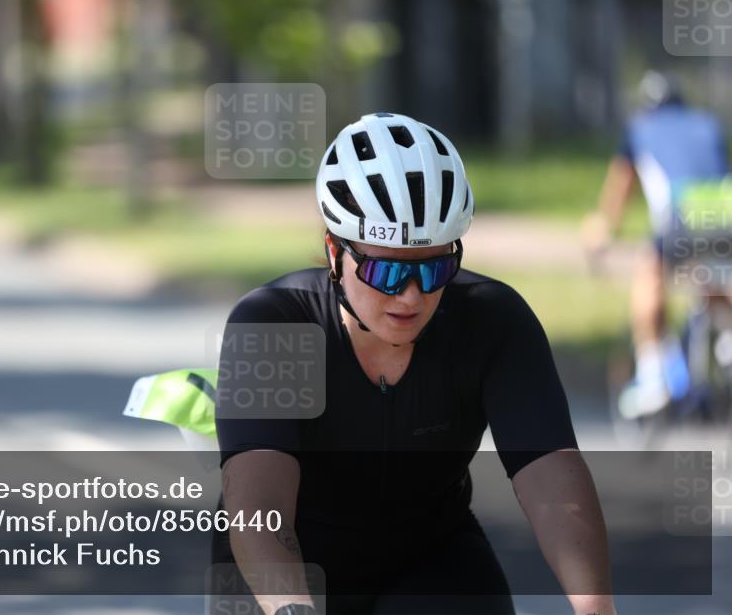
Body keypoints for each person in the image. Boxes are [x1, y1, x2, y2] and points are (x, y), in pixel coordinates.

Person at [211, 113, 615, 615]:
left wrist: (596, 609)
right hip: (294, 563)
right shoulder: (274, 325)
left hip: (431, 559)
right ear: (334, 251)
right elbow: (260, 506)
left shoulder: (493, 320)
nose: (411, 294)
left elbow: (552, 478)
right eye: (386, 269)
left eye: (436, 267)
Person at [582, 71, 730, 419]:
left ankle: (652, 378)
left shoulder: (638, 127)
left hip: (684, 216)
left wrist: (602, 230)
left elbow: (619, 191)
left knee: (649, 270)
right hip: (725, 210)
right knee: (711, 276)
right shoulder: (707, 123)